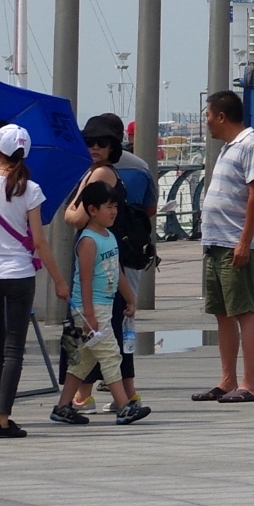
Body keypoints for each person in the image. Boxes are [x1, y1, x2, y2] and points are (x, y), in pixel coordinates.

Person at [0, 123, 68, 436]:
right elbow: (39, 240)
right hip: (20, 275)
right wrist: (59, 280)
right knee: (13, 350)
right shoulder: (30, 189)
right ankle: (4, 418)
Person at [62, 116, 153, 406]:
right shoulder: (112, 170)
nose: (94, 147)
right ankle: (95, 398)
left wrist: (81, 187)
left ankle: (113, 400)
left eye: (102, 143)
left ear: (113, 146)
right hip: (109, 263)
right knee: (95, 342)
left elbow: (73, 217)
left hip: (100, 268)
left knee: (95, 339)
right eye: (89, 142)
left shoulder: (99, 175)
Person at [50, 184, 149, 426]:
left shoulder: (110, 237)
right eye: (108, 207)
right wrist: (89, 315)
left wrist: (130, 298)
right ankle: (124, 406)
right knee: (110, 355)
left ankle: (63, 406)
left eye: (115, 206)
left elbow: (118, 272)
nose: (113, 212)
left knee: (83, 360)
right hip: (90, 308)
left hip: (103, 304)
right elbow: (84, 279)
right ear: (92, 210)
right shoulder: (88, 241)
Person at [195, 90, 254, 402]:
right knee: (222, 313)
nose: (207, 122)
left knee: (243, 311)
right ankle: (227, 379)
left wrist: (244, 241)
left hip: (234, 243)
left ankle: (249, 384)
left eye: (208, 115)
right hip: (216, 242)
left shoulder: (251, 144)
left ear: (222, 116)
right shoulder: (228, 148)